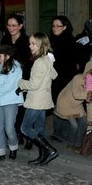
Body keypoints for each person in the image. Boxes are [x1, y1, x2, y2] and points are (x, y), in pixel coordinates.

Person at [17, 32, 58, 166]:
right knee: (40, 129)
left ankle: (49, 150)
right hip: (44, 100)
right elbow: (54, 75)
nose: (30, 46)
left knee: (25, 128)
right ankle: (43, 156)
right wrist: (50, 61)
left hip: (36, 101)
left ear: (42, 45)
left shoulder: (39, 62)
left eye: (33, 43)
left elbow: (33, 85)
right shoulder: (46, 60)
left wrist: (21, 83)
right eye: (30, 43)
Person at [53, 61, 92, 152]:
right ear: (89, 71)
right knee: (74, 126)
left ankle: (78, 144)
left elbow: (91, 103)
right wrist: (90, 94)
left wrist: (91, 120)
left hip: (76, 105)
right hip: (65, 103)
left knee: (84, 121)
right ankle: (70, 143)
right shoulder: (78, 78)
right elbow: (77, 94)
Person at [1, 13, 31, 147]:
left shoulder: (27, 41)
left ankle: (27, 134)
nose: (11, 28)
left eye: (14, 25)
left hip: (24, 77)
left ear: (20, 26)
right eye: (9, 25)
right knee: (13, 106)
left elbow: (29, 61)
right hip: (9, 78)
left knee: (24, 106)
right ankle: (17, 132)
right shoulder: (5, 40)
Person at [0, 45, 24, 160]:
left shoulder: (16, 69)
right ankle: (0, 152)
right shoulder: (0, 68)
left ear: (7, 56)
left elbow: (9, 86)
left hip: (10, 101)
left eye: (0, 56)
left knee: (9, 128)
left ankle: (13, 147)